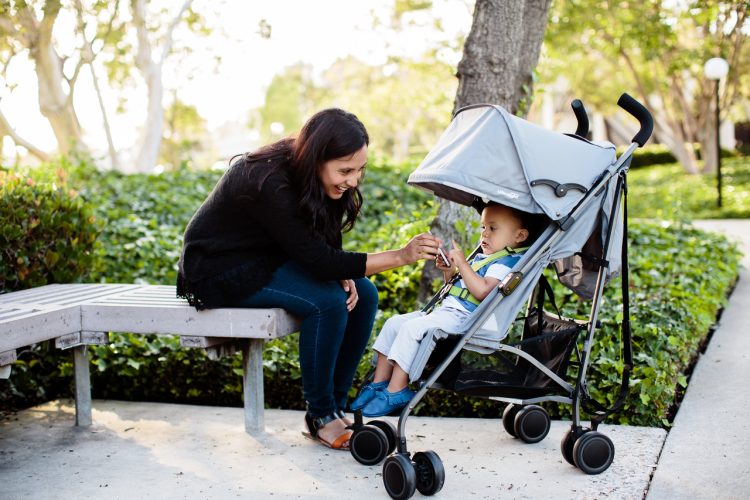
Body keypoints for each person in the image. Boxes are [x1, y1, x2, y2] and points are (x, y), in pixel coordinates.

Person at [177, 108, 441, 450]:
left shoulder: (315, 174)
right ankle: (320, 415)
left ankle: (334, 406)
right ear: (317, 158)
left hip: (268, 257)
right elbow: (318, 260)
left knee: (364, 294)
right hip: (219, 269)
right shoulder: (267, 179)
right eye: (345, 171)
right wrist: (401, 256)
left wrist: (343, 271)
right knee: (327, 302)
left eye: (360, 169)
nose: (354, 181)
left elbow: (323, 240)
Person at [351, 203, 534, 417]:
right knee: (394, 323)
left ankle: (397, 390)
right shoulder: (486, 257)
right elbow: (461, 288)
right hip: (448, 312)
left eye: (493, 229)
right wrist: (451, 272)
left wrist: (463, 264)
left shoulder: (506, 263)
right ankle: (379, 383)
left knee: (412, 328)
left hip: (466, 320)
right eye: (483, 227)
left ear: (520, 236)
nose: (484, 233)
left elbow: (483, 292)